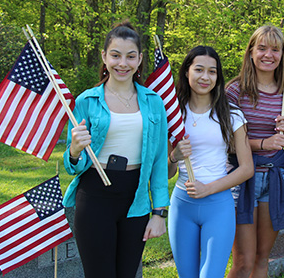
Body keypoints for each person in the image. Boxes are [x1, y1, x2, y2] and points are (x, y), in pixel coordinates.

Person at [62, 21, 170, 278]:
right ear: (104, 56)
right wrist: (75, 150)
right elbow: (71, 165)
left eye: (130, 56)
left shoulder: (154, 103)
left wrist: (159, 214)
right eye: (115, 55)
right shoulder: (86, 101)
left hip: (136, 199)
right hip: (95, 196)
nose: (123, 63)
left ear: (140, 59)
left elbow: (157, 162)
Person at [167, 46, 254, 278]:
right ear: (187, 72)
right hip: (182, 205)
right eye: (199, 70)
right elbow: (166, 173)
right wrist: (174, 156)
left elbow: (247, 169)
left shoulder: (232, 115)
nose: (205, 77)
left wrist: (209, 188)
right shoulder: (174, 115)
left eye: (212, 72)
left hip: (218, 205)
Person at [226, 25, 284, 278]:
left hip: (275, 179)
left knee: (262, 258)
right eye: (262, 48)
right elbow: (227, 142)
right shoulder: (235, 91)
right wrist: (264, 143)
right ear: (251, 51)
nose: (269, 55)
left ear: (282, 56)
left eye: (276, 49)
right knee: (243, 261)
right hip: (242, 178)